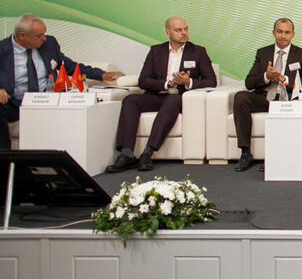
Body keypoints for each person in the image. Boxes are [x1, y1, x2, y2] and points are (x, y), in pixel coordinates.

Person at [106, 16, 216, 173]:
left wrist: (188, 82)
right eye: (178, 30)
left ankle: (148, 152)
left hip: (179, 97)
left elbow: (211, 81)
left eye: (185, 29)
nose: (184, 33)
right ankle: (127, 153)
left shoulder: (198, 52)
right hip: (156, 95)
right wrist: (167, 84)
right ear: (167, 32)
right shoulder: (156, 51)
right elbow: (143, 80)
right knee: (130, 100)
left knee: (172, 100)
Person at [1, 13, 123, 150]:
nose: (44, 38)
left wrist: (101, 74)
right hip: (15, 103)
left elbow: (68, 66)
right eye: (39, 36)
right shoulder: (2, 50)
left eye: (44, 34)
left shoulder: (49, 43)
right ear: (22, 36)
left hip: (47, 101)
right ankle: (4, 157)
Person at [233, 18, 302, 172]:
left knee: (288, 106)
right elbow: (249, 82)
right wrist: (266, 76)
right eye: (279, 31)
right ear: (273, 33)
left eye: (287, 32)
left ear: (293, 34)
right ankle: (245, 153)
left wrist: (283, 79)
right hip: (265, 98)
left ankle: (275, 157)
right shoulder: (263, 53)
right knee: (241, 97)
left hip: (287, 99)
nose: (283, 36)